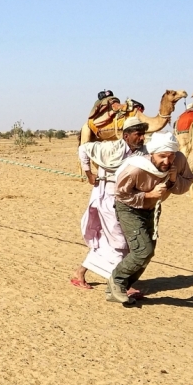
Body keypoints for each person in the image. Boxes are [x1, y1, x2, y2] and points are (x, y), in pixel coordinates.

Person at [106, 131, 193, 305]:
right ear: (152, 153)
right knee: (142, 250)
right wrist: (148, 195)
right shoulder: (135, 168)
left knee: (148, 253)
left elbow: (186, 183)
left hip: (153, 209)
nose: (167, 161)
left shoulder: (179, 160)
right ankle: (116, 281)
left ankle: (119, 288)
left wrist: (173, 180)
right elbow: (121, 195)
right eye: (162, 156)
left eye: (170, 156)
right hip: (129, 208)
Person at [72, 117, 148, 297]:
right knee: (120, 241)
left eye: (143, 134)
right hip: (107, 199)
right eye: (138, 134)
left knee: (114, 241)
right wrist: (89, 173)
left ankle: (79, 273)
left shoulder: (142, 152)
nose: (142, 138)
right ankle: (118, 283)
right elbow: (83, 148)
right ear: (126, 136)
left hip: (128, 201)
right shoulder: (110, 148)